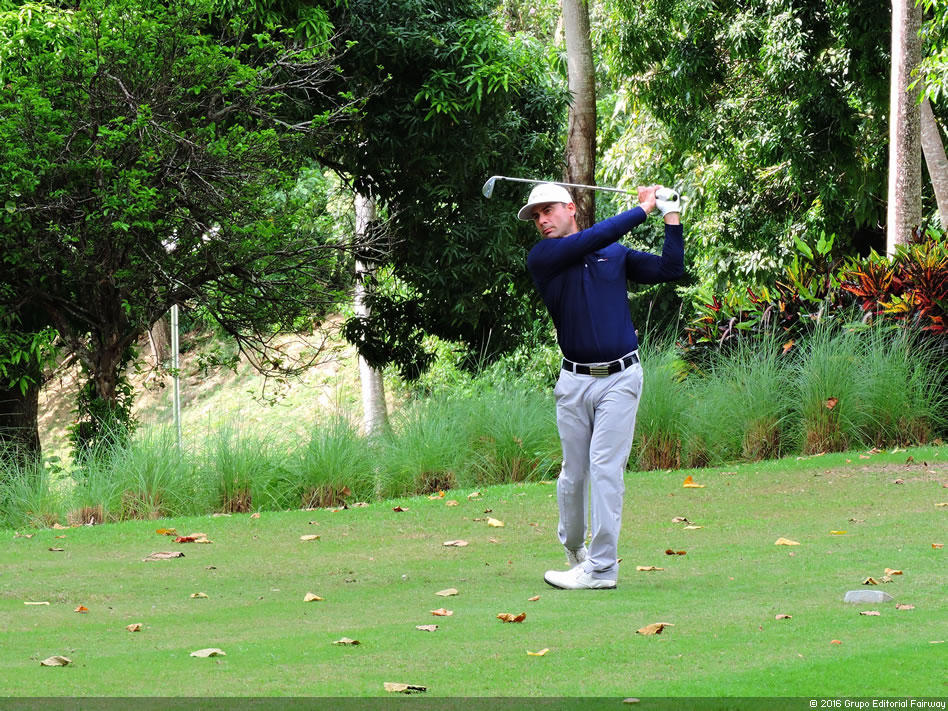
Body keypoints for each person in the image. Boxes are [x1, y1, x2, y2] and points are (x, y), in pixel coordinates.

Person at [520, 182, 684, 590]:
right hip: (574, 382)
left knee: (606, 469)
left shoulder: (615, 254)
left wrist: (670, 215)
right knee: (574, 474)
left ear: (571, 208)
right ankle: (574, 547)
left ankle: (602, 568)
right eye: (536, 216)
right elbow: (592, 238)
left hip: (622, 378)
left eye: (548, 210)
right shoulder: (544, 257)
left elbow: (670, 269)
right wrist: (642, 209)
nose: (541, 220)